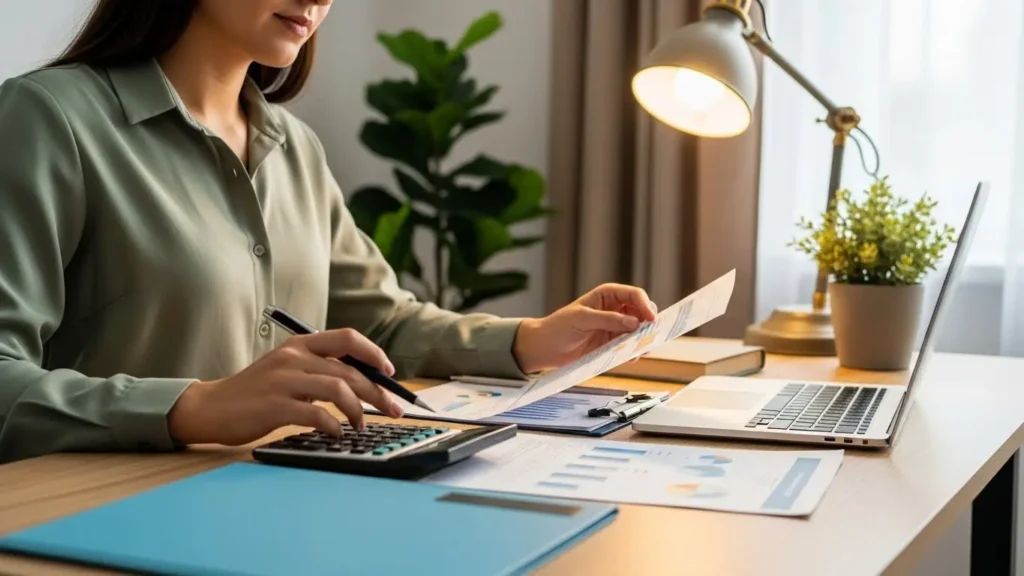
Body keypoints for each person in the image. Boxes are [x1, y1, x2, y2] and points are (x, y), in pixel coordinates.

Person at [0, 0, 657, 464]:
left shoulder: (295, 148)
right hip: (97, 508)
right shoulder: (49, 119)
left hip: (279, 491)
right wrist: (195, 407)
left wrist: (531, 339)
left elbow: (383, 326)